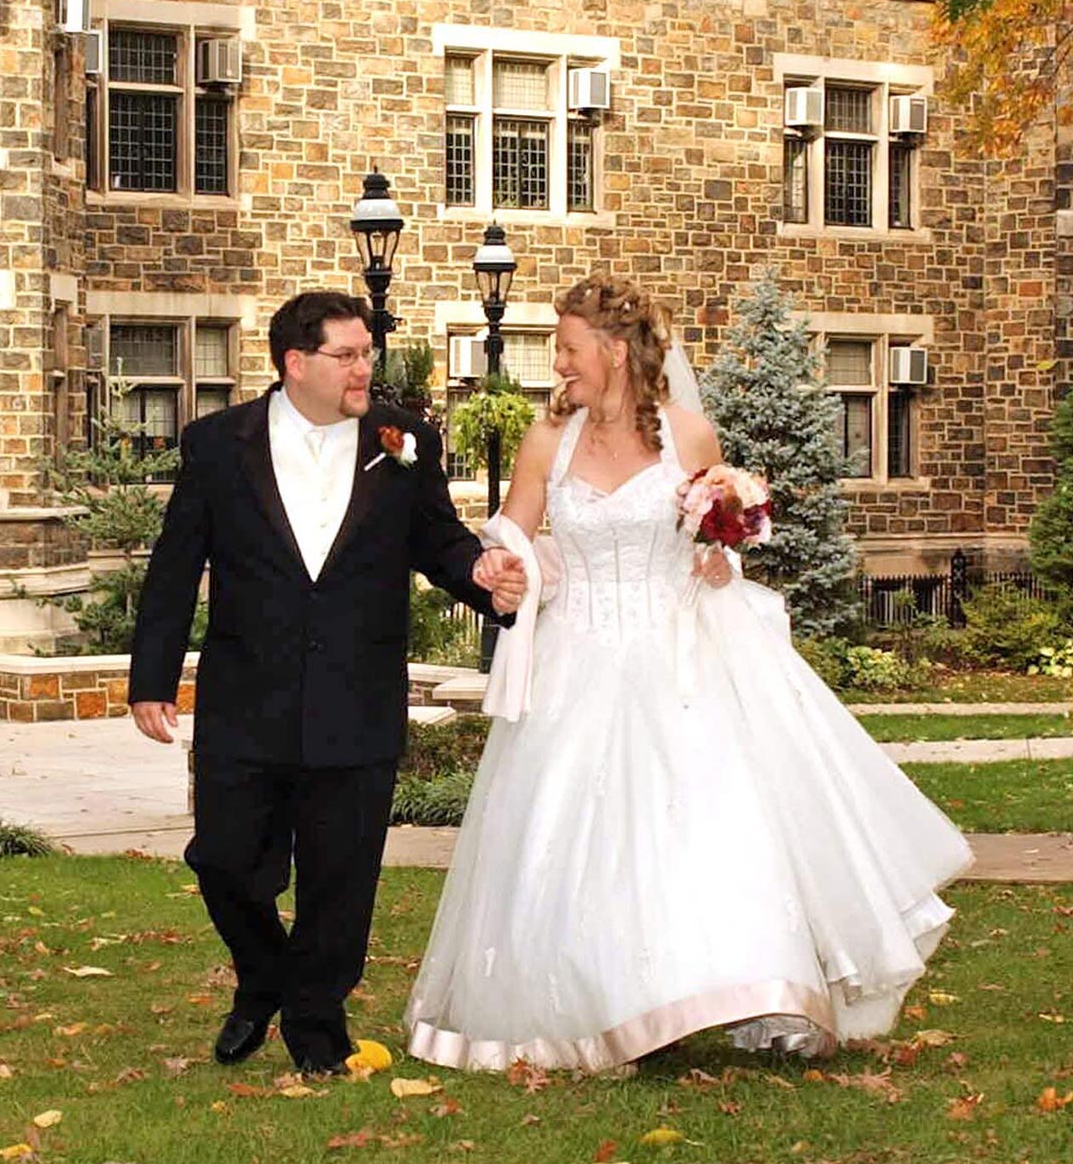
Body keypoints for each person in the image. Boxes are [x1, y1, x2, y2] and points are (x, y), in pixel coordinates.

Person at [405, 273, 971, 1072]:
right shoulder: (546, 441)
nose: (558, 364)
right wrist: (506, 570)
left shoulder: (688, 436)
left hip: (679, 662)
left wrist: (716, 563)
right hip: (578, 664)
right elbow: (515, 544)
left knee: (698, 828)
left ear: (611, 352)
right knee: (576, 839)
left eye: (568, 349)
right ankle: (596, 1008)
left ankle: (722, 986)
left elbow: (715, 545)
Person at [129, 290, 526, 1076]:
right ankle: (263, 980)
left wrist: (485, 579)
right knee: (225, 860)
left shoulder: (403, 440)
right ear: (295, 363)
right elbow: (178, 566)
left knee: (341, 879)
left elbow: (437, 540)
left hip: (358, 694)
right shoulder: (217, 444)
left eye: (366, 355)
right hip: (248, 698)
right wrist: (153, 676)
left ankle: (317, 1024)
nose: (363, 369)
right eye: (346, 356)